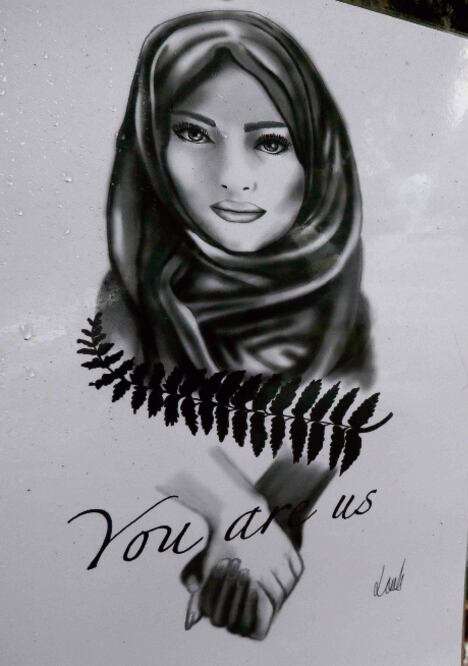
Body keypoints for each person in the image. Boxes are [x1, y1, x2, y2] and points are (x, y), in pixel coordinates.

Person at [97, 10, 375, 640]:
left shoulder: (353, 321)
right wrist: (231, 504)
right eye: (194, 133)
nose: (231, 176)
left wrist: (250, 532)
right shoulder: (125, 305)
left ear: (316, 157)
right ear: (150, 139)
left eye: (271, 142)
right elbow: (108, 414)